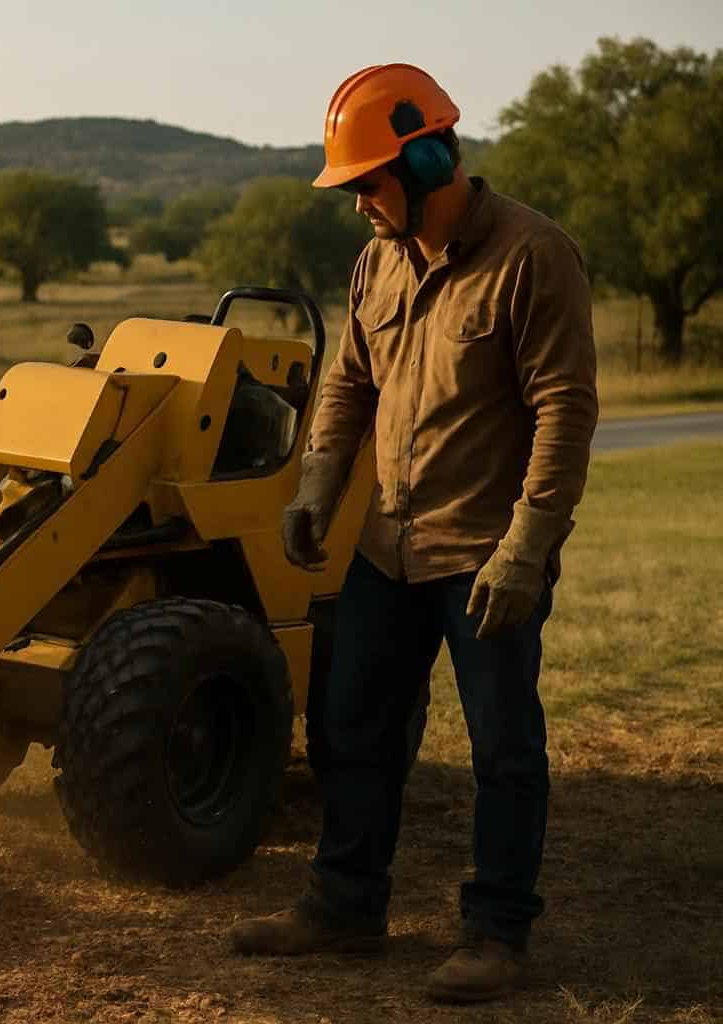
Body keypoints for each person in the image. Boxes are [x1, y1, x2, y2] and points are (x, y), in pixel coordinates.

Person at [227, 64, 599, 1004]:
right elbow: (350, 380)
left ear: (427, 159)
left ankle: (498, 934)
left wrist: (528, 546)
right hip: (385, 545)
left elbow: (564, 409)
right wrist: (318, 482)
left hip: (483, 556)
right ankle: (346, 906)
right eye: (351, 187)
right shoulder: (377, 262)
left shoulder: (532, 256)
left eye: (367, 182)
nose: (357, 204)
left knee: (502, 750)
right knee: (352, 730)